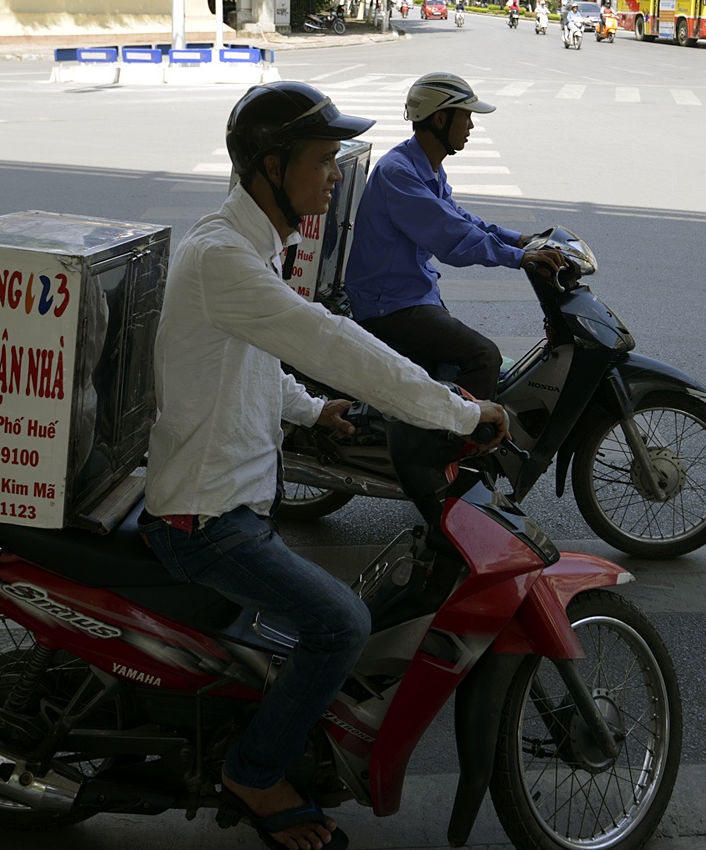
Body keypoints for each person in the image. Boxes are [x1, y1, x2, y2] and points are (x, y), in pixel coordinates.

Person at [141, 81, 509, 850]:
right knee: (340, 625)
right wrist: (459, 411)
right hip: (205, 519)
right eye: (324, 159)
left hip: (236, 495)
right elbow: (330, 343)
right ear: (273, 167)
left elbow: (249, 360)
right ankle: (254, 771)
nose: (338, 173)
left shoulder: (247, 248)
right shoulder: (223, 258)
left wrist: (313, 411)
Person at [344, 73, 564, 400]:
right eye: (466, 117)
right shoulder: (399, 173)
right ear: (441, 118)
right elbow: (452, 237)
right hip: (388, 306)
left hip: (413, 295)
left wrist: (519, 239)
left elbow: (459, 217)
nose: (471, 126)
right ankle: (460, 447)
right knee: (483, 357)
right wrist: (519, 258)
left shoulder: (424, 165)